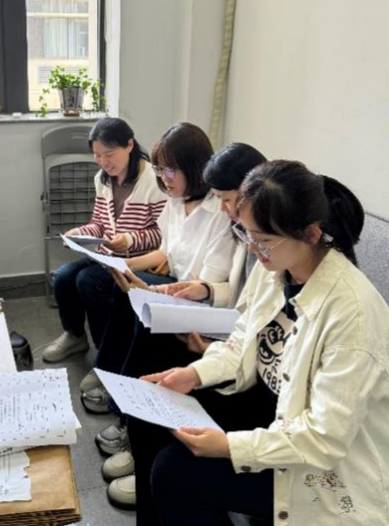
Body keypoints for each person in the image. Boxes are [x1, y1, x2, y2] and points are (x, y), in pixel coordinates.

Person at [120, 160, 389, 526]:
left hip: (324, 460)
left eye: (263, 239)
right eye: (245, 233)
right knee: (158, 410)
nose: (253, 249)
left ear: (311, 233)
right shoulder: (277, 268)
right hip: (278, 408)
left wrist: (228, 447)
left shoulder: (353, 316)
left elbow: (325, 438)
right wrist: (193, 375)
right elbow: (241, 343)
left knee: (179, 473)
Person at [103, 142, 267, 505]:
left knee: (154, 336)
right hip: (226, 327)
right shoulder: (247, 232)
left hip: (229, 335)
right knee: (143, 317)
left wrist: (209, 345)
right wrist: (204, 290)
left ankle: (133, 430)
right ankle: (131, 424)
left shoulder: (263, 242)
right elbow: (237, 294)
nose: (223, 208)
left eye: (227, 199)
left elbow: (254, 322)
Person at [82, 123, 235, 420]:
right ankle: (110, 375)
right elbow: (165, 252)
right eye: (160, 170)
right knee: (120, 288)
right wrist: (125, 265)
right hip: (178, 285)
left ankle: (125, 411)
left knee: (145, 310)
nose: (164, 179)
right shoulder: (177, 201)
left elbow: (205, 286)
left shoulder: (219, 212)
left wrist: (153, 290)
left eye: (170, 171)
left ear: (194, 167)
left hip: (201, 301)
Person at [42, 117, 167, 364]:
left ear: (129, 145)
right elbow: (99, 222)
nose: (103, 162)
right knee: (63, 277)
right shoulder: (102, 178)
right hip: (109, 256)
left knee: (87, 281)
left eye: (109, 154)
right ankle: (75, 336)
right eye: (97, 155)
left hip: (141, 261)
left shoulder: (154, 181)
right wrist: (80, 232)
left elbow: (163, 235)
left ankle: (107, 355)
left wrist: (130, 240)